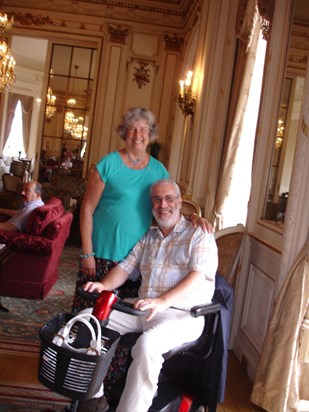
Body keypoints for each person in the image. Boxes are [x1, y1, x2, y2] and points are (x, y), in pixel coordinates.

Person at [79, 179, 218, 412]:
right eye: (156, 199)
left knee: (147, 346)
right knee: (87, 320)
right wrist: (103, 285)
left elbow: (198, 276)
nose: (163, 204)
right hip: (142, 308)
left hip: (183, 315)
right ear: (151, 204)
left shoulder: (199, 234)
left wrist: (162, 301)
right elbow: (125, 268)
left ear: (180, 202)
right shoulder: (149, 237)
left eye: (169, 198)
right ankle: (95, 399)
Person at [71, 107, 212, 315]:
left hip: (137, 257)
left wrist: (193, 217)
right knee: (91, 312)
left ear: (150, 135)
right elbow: (86, 210)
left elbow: (169, 202)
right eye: (132, 129)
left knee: (123, 314)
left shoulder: (158, 170)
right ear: (124, 132)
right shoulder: (108, 164)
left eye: (143, 129)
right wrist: (87, 252)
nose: (138, 135)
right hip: (101, 251)